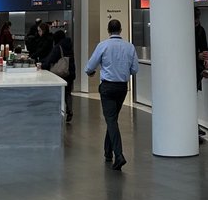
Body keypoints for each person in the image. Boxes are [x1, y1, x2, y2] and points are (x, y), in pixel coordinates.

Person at [85, 19, 138, 170]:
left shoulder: (103, 46)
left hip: (107, 88)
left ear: (108, 31)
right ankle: (108, 152)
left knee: (111, 120)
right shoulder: (129, 47)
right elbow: (135, 70)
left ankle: (119, 155)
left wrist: (90, 72)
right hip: (122, 88)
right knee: (112, 118)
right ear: (120, 30)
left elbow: (90, 66)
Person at [42, 27, 75, 123]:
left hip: (61, 74)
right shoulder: (69, 45)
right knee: (68, 93)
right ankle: (69, 110)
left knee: (59, 92)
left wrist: (43, 65)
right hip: (70, 73)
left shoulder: (58, 47)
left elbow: (50, 59)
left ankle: (58, 111)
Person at [194, 6, 208, 141]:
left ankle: (194, 125)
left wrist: (205, 59)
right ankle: (193, 126)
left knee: (193, 98)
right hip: (189, 70)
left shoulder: (200, 31)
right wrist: (196, 56)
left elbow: (204, 47)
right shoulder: (187, 31)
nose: (196, 21)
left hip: (196, 71)